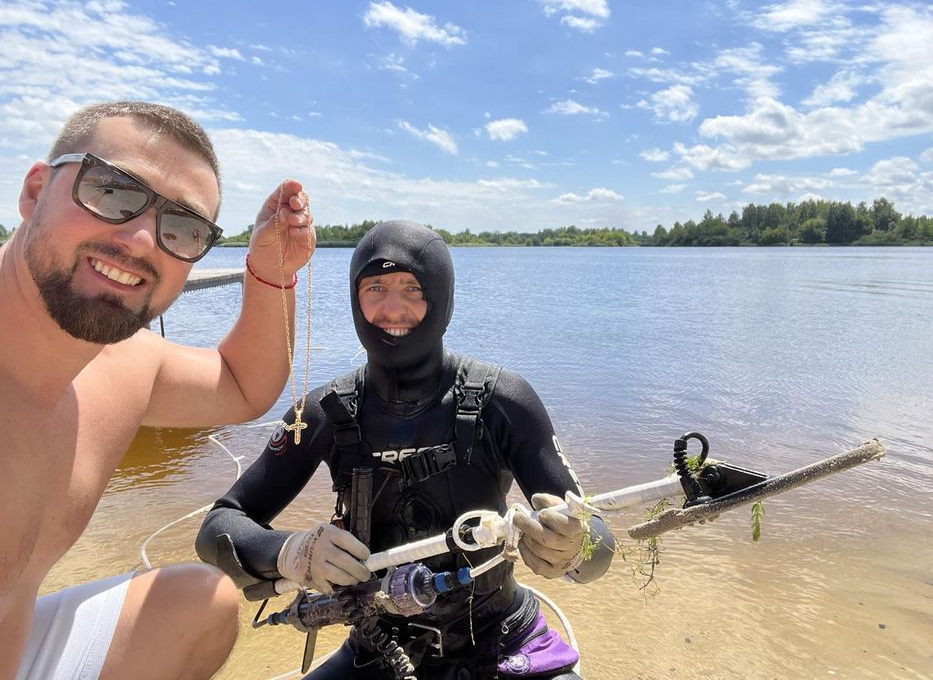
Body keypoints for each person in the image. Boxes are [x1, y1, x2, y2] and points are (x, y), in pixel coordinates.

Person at [197, 220, 615, 679]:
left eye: (412, 288)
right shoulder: (324, 412)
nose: (391, 308)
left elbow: (597, 543)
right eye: (375, 287)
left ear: (443, 298)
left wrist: (573, 546)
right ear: (355, 299)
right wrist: (293, 551)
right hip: (375, 648)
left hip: (504, 642)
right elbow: (219, 525)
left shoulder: (503, 400)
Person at [0, 101, 315, 680]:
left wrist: (270, 270)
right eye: (113, 192)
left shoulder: (122, 366)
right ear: (34, 192)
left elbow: (243, 385)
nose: (143, 240)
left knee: (199, 602)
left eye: (183, 228)